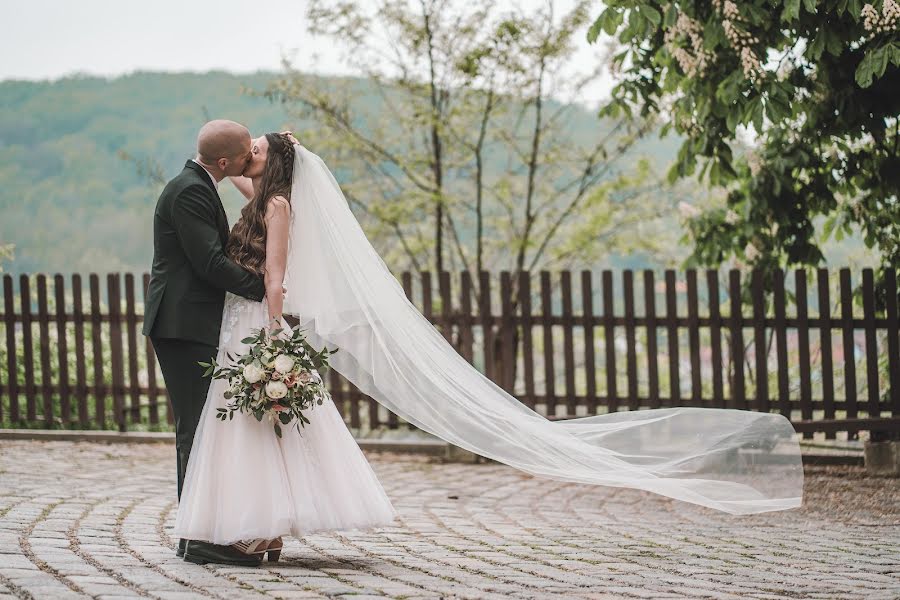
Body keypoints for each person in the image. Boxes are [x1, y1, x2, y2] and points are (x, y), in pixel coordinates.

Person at [172, 133, 399, 566]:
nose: (249, 154)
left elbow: (275, 277)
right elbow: (238, 170)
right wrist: (252, 147)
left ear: (272, 163)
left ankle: (262, 530)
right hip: (234, 319)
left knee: (252, 423)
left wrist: (274, 334)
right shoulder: (260, 196)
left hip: (256, 319)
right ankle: (264, 532)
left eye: (257, 150)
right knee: (242, 421)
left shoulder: (278, 206)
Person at [143, 119, 271, 566]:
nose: (249, 160)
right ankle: (198, 539)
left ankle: (198, 532)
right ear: (224, 162)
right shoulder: (190, 191)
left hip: (192, 323)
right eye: (244, 156)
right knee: (195, 431)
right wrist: (263, 286)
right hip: (182, 324)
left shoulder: (199, 183)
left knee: (201, 429)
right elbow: (210, 263)